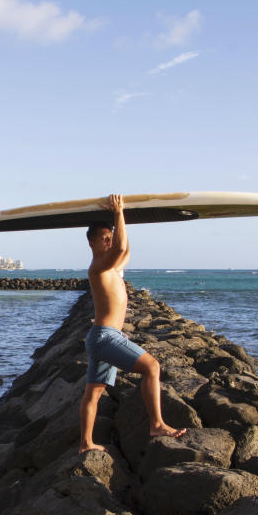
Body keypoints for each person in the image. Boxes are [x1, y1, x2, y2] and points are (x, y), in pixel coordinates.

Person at [79, 194, 186, 453]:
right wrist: (119, 213)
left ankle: (85, 444)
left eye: (111, 237)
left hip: (102, 337)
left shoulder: (112, 267)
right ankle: (157, 423)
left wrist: (121, 221)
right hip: (106, 337)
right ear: (91, 242)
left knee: (94, 393)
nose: (109, 241)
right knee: (152, 367)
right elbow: (119, 250)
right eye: (104, 238)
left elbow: (124, 250)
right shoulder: (98, 267)